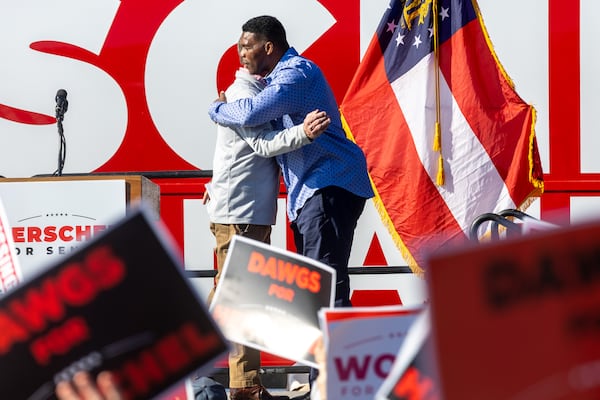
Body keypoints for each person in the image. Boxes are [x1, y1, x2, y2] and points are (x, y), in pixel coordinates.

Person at [208, 15, 374, 309]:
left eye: (248, 46)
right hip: (314, 189)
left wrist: (217, 108)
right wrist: (219, 182)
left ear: (269, 47)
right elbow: (257, 142)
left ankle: (333, 353)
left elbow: (249, 114)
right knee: (316, 281)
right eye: (239, 47)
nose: (242, 54)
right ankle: (325, 352)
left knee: (324, 284)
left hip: (326, 182)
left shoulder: (295, 74)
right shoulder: (277, 79)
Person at [205, 62, 330, 400]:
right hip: (241, 213)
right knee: (242, 299)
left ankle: (185, 354)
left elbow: (236, 153)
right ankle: (242, 385)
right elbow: (261, 145)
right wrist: (304, 132)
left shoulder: (250, 95)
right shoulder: (244, 95)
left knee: (235, 295)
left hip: (244, 211)